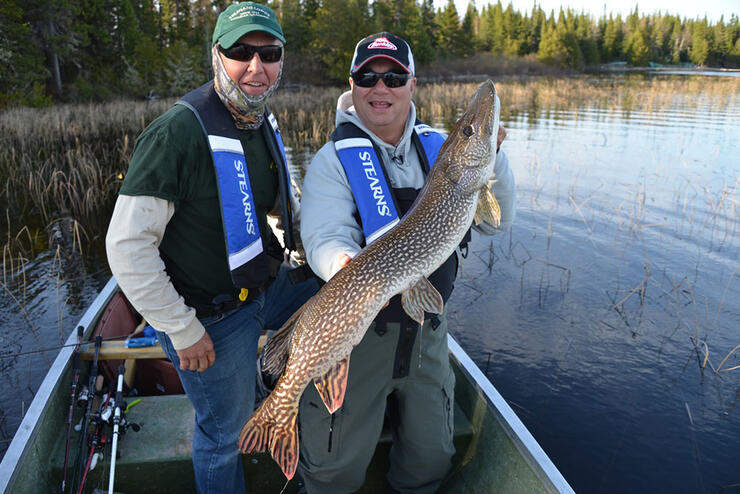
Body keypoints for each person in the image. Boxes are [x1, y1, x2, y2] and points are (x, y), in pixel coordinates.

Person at [105, 3, 318, 492]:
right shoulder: (176, 134)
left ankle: (318, 408)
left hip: (265, 286)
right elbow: (126, 247)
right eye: (241, 51)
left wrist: (325, 251)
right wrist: (181, 330)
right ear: (217, 55)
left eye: (269, 53)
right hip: (209, 319)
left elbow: (284, 206)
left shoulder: (259, 122)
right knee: (224, 436)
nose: (256, 66)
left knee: (343, 289)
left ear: (282, 60)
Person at [297, 33, 516, 493]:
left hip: (428, 332)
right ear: (352, 84)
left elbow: (495, 224)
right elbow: (323, 236)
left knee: (429, 460)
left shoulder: (445, 150)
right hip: (359, 338)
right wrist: (354, 275)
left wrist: (495, 158)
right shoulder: (331, 162)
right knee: (335, 471)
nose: (381, 88)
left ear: (412, 85)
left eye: (394, 76)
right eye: (368, 77)